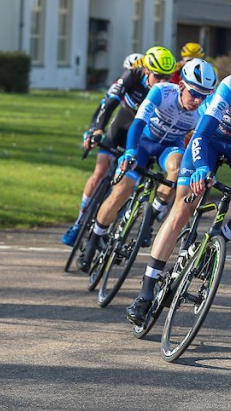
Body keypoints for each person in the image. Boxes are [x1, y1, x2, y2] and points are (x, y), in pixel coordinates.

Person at [125, 52, 231, 325]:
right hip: (208, 142)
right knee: (183, 208)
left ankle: (215, 244)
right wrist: (201, 168)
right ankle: (146, 292)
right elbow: (201, 134)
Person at [78, 58, 217, 271]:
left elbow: (201, 142)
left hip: (169, 147)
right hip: (143, 144)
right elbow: (138, 123)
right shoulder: (161, 92)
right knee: (121, 192)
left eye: (204, 96)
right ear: (181, 86)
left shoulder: (204, 111)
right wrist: (131, 151)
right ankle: (94, 240)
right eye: (194, 93)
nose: (198, 101)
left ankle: (151, 215)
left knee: (178, 169)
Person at [61, 46, 177, 246]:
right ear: (147, 70)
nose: (163, 82)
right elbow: (109, 103)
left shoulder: (166, 89)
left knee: (132, 183)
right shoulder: (132, 75)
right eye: (158, 76)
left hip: (144, 135)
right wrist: (96, 130)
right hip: (123, 125)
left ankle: (115, 223)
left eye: (168, 77)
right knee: (101, 168)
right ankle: (80, 222)